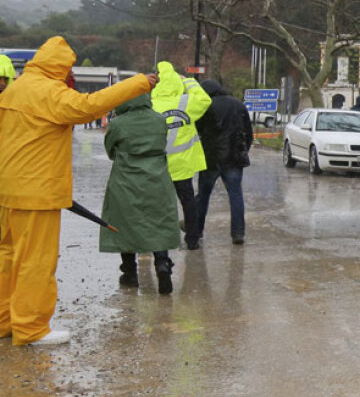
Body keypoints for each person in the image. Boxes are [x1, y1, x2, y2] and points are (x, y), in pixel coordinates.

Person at [0, 37, 157, 346]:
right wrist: (139, 83)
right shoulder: (49, 92)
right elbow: (89, 107)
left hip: (9, 188)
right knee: (36, 260)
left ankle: (5, 321)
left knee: (7, 255)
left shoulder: (15, 89)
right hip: (38, 193)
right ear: (59, 66)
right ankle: (31, 329)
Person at [99, 94, 180, 294]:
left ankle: (130, 273)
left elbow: (110, 151)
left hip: (126, 180)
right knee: (158, 221)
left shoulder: (118, 124)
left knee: (125, 224)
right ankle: (162, 264)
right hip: (157, 179)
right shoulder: (159, 120)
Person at [150, 62, 211, 250]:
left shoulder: (151, 105)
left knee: (156, 204)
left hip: (158, 165)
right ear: (176, 81)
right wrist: (189, 82)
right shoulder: (186, 103)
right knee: (188, 202)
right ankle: (192, 240)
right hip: (183, 164)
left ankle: (157, 240)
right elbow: (204, 100)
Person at [191, 80, 253, 246]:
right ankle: (238, 233)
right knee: (235, 195)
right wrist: (243, 150)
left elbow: (197, 131)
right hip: (234, 158)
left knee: (203, 196)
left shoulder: (206, 106)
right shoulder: (239, 105)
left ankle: (197, 231)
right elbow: (249, 132)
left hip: (210, 158)